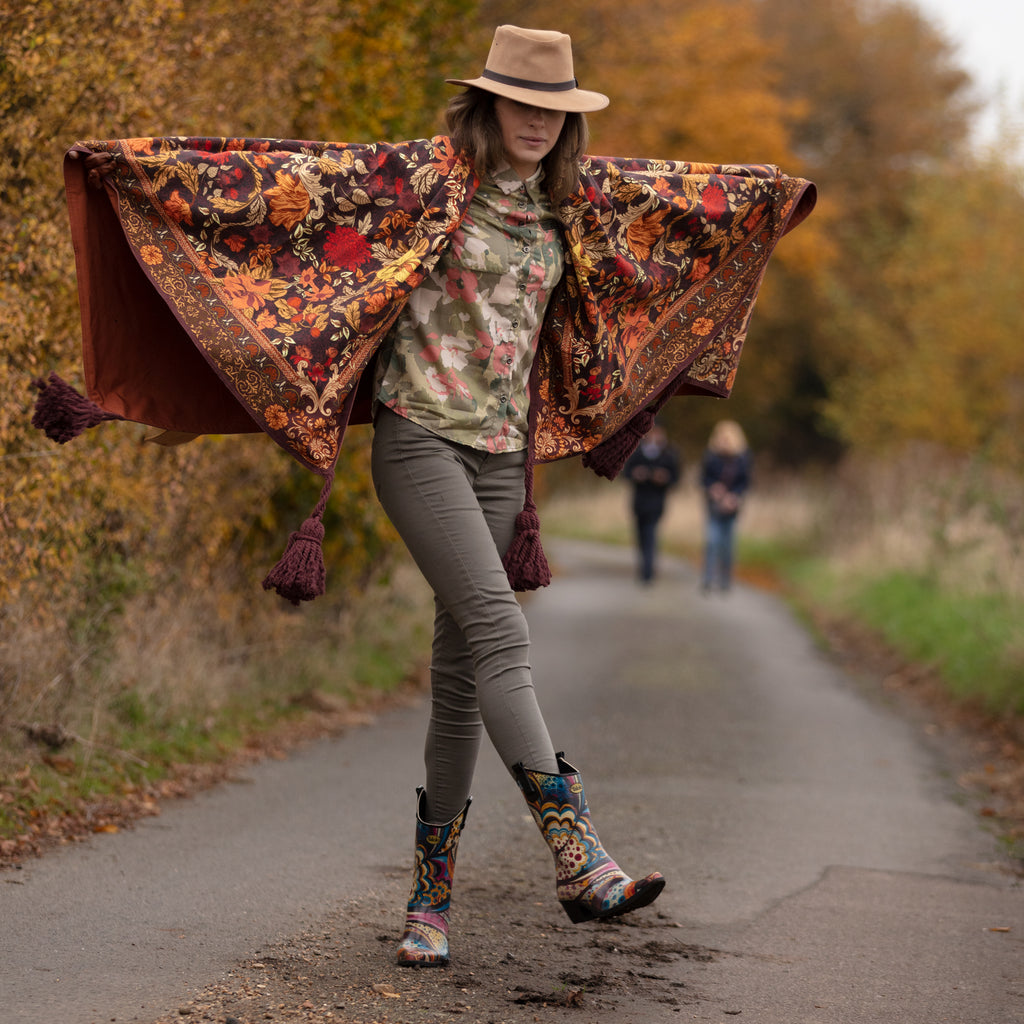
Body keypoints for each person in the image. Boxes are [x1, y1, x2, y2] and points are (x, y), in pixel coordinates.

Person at [37, 24, 815, 971]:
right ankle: (577, 854)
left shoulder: (575, 205)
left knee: (458, 688)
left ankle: (427, 909)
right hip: (419, 445)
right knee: (499, 630)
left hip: (499, 461)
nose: (536, 122)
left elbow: (692, 205)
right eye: (522, 104)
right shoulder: (423, 183)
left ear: (568, 122)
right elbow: (277, 184)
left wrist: (775, 198)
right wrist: (128, 166)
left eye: (554, 110)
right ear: (487, 104)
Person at [622, 423, 680, 583]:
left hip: (657, 502)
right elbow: (625, 473)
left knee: (651, 533)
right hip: (639, 501)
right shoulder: (635, 450)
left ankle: (648, 571)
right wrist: (636, 474)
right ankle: (645, 566)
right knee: (641, 535)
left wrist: (664, 478)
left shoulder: (669, 453)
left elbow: (676, 479)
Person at [700, 420, 752, 593]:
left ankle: (725, 580)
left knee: (728, 545)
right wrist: (712, 488)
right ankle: (708, 579)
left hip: (732, 508)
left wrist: (734, 496)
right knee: (712, 541)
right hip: (714, 507)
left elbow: (746, 482)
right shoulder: (711, 457)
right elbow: (703, 479)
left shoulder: (742, 458)